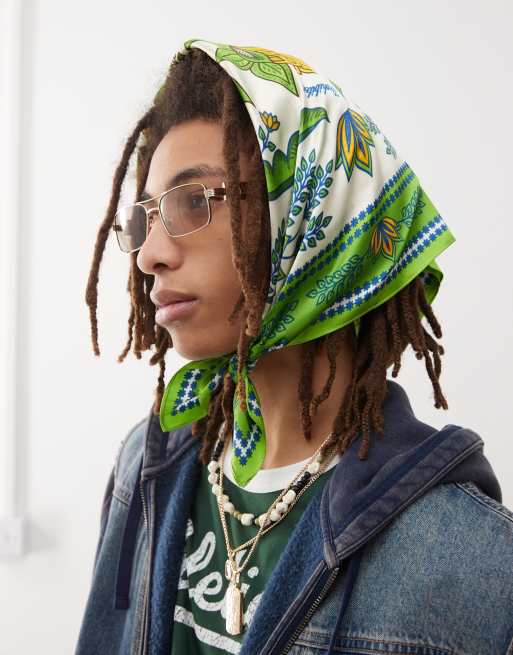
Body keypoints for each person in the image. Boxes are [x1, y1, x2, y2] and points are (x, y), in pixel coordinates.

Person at [77, 38, 513, 655]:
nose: (150, 255)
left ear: (312, 212)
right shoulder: (144, 466)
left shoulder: (471, 557)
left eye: (195, 201)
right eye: (147, 218)